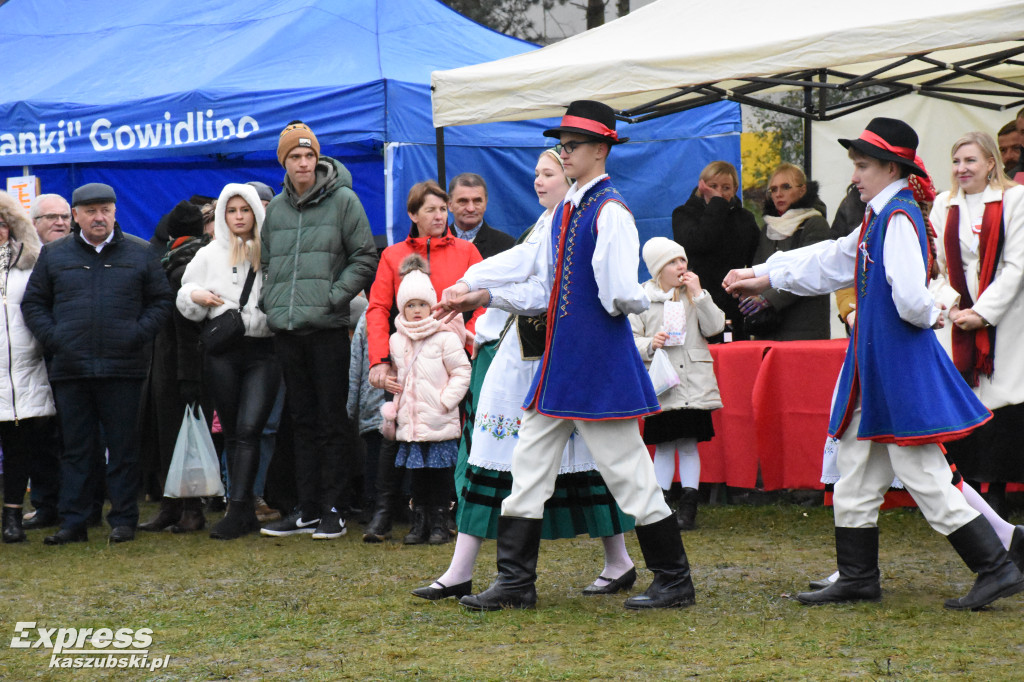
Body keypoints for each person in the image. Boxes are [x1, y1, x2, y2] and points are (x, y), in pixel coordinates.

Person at [724, 117, 1024, 610]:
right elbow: (834, 258)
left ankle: (995, 566)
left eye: (863, 166)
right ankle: (858, 576)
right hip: (877, 368)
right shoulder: (882, 216)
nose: (855, 176)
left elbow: (910, 299)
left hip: (895, 367)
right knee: (857, 471)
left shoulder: (900, 217)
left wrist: (933, 311)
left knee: (923, 471)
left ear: (890, 167)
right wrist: (764, 273)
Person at [437, 100, 696, 611]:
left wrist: (646, 298)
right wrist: (476, 289)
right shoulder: (567, 210)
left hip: (596, 364)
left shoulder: (612, 212)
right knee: (527, 467)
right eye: (563, 144)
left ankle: (674, 578)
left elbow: (619, 294)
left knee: (630, 473)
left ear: (601, 149)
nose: (565, 151)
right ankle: (514, 583)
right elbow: (535, 276)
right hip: (560, 366)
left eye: (573, 145)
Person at [413, 149, 637, 601]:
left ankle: (618, 560)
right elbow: (522, 266)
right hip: (526, 355)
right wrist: (473, 287)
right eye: (536, 173)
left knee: (591, 461)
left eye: (548, 173)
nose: (538, 181)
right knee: (497, 454)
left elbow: (543, 290)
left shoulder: (585, 217)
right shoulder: (550, 224)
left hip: (553, 359)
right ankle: (469, 569)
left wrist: (477, 293)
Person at [22, 182, 174, 545]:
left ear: (115, 212)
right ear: (76, 216)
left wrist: (137, 334)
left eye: (105, 209)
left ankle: (123, 518)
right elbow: (34, 304)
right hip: (71, 369)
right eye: (90, 211)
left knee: (122, 448)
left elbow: (162, 301)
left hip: (124, 368)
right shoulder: (55, 255)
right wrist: (57, 340)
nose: (99, 217)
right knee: (76, 449)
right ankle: (75, 520)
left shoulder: (140, 253)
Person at [258, 121, 378, 539]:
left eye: (309, 155)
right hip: (288, 330)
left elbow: (365, 257)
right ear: (285, 162)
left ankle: (334, 507)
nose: (303, 162)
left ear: (318, 159)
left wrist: (332, 298)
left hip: (327, 328)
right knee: (300, 422)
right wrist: (271, 304)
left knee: (331, 421)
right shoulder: (275, 208)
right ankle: (306, 508)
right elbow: (268, 263)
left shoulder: (344, 200)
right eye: (295, 156)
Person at [362, 180, 483, 542]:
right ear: (413, 215)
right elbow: (378, 308)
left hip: (449, 361)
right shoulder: (393, 255)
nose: (439, 215)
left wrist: (468, 342)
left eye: (443, 209)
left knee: (450, 439)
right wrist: (380, 360)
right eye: (430, 209)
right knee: (396, 435)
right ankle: (385, 513)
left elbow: (486, 302)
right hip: (404, 358)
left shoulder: (465, 251)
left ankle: (447, 515)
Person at [177, 184, 282, 539]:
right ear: (223, 215)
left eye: (245, 210)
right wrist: (196, 295)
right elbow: (184, 292)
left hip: (263, 350)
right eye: (232, 211)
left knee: (251, 430)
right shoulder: (208, 254)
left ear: (256, 212)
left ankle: (240, 508)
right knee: (235, 431)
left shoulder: (271, 251)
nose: (238, 217)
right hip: (222, 351)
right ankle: (241, 509)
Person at [930, 131, 1024, 517]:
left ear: (990, 164)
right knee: (966, 402)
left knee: (1005, 402)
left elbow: (1017, 264)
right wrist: (952, 307)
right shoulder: (943, 205)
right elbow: (932, 268)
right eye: (956, 161)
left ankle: (999, 494)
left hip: (1007, 318)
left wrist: (983, 312)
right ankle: (968, 495)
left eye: (970, 160)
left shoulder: (1015, 199)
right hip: (957, 321)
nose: (962, 168)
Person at [630, 237, 724, 531]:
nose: (681, 266)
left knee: (688, 444)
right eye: (673, 261)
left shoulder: (693, 296)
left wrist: (700, 295)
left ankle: (688, 506)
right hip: (662, 384)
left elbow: (715, 327)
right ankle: (660, 505)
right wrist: (649, 343)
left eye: (682, 260)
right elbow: (628, 339)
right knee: (664, 445)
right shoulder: (640, 298)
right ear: (658, 268)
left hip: (692, 383)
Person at [382, 255, 471, 544]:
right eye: (411, 305)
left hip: (439, 417)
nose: (417, 311)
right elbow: (400, 374)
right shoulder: (397, 340)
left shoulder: (444, 336)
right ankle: (418, 522)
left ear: (431, 305)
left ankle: (439, 522)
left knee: (440, 474)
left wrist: (446, 402)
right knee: (417, 476)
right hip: (412, 421)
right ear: (402, 308)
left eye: (422, 304)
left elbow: (461, 371)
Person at [139, 200, 212, 533]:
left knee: (185, 438)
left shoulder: (184, 263)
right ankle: (172, 505)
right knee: (170, 437)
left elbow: (186, 327)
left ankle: (191, 509)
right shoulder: (182, 258)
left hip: (182, 365)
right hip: (171, 362)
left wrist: (187, 376)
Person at [0, 193, 57, 543]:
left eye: (3, 224)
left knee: (19, 449)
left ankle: (13, 519)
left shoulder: (31, 265)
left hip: (24, 372)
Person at [21, 193, 74, 530]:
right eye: (51, 217)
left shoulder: (81, 255)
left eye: (65, 216)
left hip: (73, 358)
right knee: (39, 437)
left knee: (78, 437)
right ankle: (45, 504)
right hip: (31, 360)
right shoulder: (22, 261)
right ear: (34, 224)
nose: (60, 222)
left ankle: (81, 503)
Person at [741, 163, 831, 340]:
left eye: (786, 187)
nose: (778, 194)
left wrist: (767, 299)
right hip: (769, 327)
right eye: (773, 190)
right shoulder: (768, 227)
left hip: (804, 327)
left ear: (802, 190)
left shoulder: (815, 224)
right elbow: (759, 268)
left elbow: (807, 272)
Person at [671, 161, 759, 341]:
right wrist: (718, 204)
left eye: (726, 187)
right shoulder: (683, 214)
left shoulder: (745, 219)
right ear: (701, 187)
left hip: (732, 305)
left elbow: (755, 259)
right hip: (696, 302)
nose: (719, 192)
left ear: (735, 189)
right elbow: (699, 243)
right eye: (713, 186)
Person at [447, 173, 516, 259]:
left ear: (485, 203)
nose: (471, 208)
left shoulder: (507, 247)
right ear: (450, 205)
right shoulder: (435, 243)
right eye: (463, 201)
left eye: (477, 201)